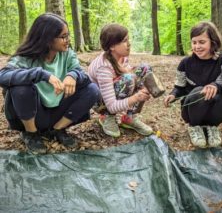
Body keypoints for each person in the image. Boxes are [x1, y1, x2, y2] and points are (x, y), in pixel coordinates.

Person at [0, 13, 100, 154]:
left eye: (68, 35)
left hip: (58, 111)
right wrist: (42, 74)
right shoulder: (26, 58)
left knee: (92, 89)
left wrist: (73, 75)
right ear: (47, 38)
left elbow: (83, 74)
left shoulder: (67, 54)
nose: (67, 40)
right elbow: (3, 75)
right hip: (34, 114)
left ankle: (57, 129)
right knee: (21, 87)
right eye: (63, 36)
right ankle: (31, 134)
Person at [164, 21, 222, 148]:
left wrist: (216, 86)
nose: (197, 46)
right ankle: (194, 127)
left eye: (202, 42)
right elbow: (179, 87)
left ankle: (212, 126)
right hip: (190, 110)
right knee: (199, 90)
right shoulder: (185, 63)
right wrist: (173, 95)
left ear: (213, 42)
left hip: (213, 107)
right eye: (194, 42)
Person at [88, 23, 154, 138]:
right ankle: (106, 118)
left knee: (145, 69)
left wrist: (143, 85)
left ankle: (129, 117)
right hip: (99, 101)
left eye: (128, 39)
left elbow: (126, 73)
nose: (129, 44)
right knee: (128, 79)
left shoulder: (122, 57)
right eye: (124, 41)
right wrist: (136, 97)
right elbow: (112, 105)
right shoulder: (103, 67)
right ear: (112, 46)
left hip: (112, 91)